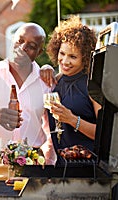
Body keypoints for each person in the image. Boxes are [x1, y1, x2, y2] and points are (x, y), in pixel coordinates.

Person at [0, 22, 56, 200]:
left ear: (39, 53)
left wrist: (47, 163)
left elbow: (51, 130)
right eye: (19, 41)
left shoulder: (46, 82)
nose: (22, 48)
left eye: (31, 46)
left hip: (32, 168)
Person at [39, 16, 101, 163]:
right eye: (62, 53)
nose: (65, 61)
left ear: (85, 58)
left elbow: (105, 135)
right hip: (62, 166)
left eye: (73, 56)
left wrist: (72, 119)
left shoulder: (92, 84)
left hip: (89, 167)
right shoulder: (56, 81)